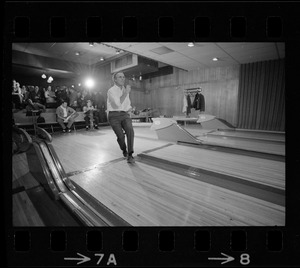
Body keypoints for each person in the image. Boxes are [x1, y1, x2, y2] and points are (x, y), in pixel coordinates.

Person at [107, 72, 135, 163]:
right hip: (113, 115)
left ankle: (130, 154)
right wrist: (126, 92)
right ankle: (124, 150)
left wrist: (131, 109)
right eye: (120, 77)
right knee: (121, 137)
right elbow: (116, 105)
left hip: (124, 114)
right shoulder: (111, 91)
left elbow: (127, 104)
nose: (122, 79)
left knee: (130, 130)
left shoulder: (125, 90)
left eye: (123, 77)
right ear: (115, 80)